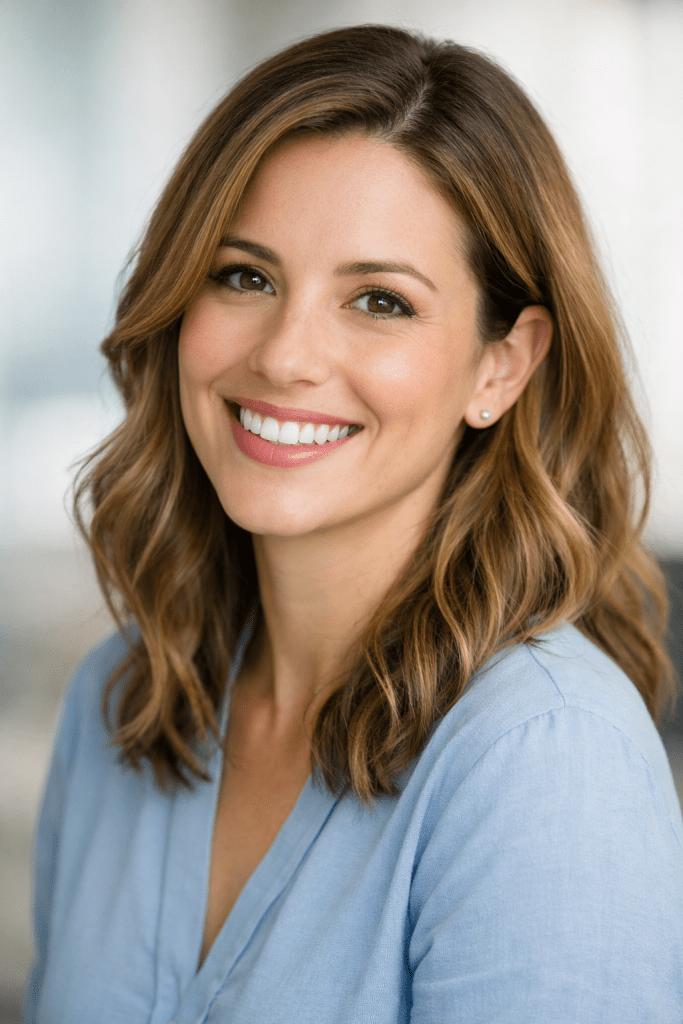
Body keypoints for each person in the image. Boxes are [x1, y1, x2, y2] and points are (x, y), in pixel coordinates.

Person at [26, 24, 683, 1024]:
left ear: (499, 365)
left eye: (378, 300)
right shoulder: (115, 705)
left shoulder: (543, 758)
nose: (286, 356)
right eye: (244, 276)